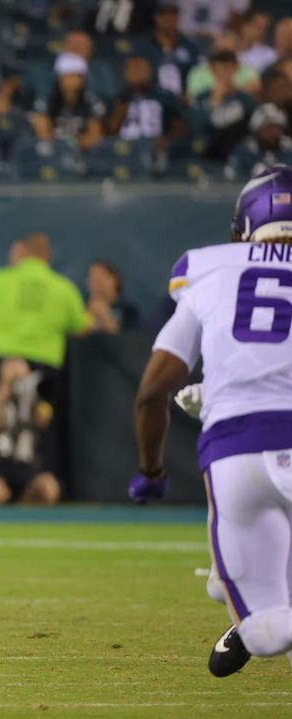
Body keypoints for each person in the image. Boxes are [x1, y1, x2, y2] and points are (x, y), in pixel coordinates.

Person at [130, 165, 292, 679]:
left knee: (263, 632)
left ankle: (249, 600)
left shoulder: (209, 267)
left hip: (236, 451)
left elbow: (152, 392)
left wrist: (151, 473)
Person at [0, 233, 92, 474]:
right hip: (42, 372)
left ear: (22, 253)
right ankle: (40, 478)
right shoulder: (64, 287)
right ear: (47, 257)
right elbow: (82, 329)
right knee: (41, 432)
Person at [0, 357, 59, 504]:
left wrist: (35, 395)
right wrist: (3, 395)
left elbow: (44, 420)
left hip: (25, 463)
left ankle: (25, 513)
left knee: (49, 488)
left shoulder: (32, 399)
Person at [106, 55, 185, 149]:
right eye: (132, 70)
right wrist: (119, 114)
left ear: (149, 72)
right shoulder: (121, 98)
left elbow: (180, 128)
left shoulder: (164, 96)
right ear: (126, 74)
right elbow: (110, 132)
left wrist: (167, 140)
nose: (137, 74)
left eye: (140, 69)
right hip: (127, 148)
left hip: (156, 148)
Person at [31, 53, 106, 151]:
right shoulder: (48, 98)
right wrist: (60, 148)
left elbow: (95, 135)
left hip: (82, 152)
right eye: (67, 76)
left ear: (83, 79)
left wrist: (74, 148)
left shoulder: (90, 100)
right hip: (53, 151)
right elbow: (42, 129)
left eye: (76, 76)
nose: (71, 81)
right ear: (58, 78)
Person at [192, 49, 255, 163]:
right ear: (212, 70)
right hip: (211, 152)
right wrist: (214, 101)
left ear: (236, 68)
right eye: (220, 69)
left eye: (228, 68)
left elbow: (252, 128)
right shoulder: (202, 98)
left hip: (239, 152)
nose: (224, 73)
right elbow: (198, 129)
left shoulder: (245, 99)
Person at [140, 0, 200, 98]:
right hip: (152, 98)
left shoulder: (190, 47)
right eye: (164, 15)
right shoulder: (144, 47)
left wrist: (189, 93)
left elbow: (197, 76)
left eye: (173, 14)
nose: (170, 19)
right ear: (156, 18)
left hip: (182, 99)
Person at [225, 103, 292, 179]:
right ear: (256, 131)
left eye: (275, 127)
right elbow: (231, 177)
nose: (272, 132)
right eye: (267, 128)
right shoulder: (244, 150)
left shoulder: (289, 148)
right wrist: (252, 176)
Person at [86, 260, 140, 334]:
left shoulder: (129, 310)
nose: (97, 283)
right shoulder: (82, 307)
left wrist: (105, 318)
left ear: (115, 280)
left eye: (102, 277)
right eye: (92, 278)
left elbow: (131, 338)